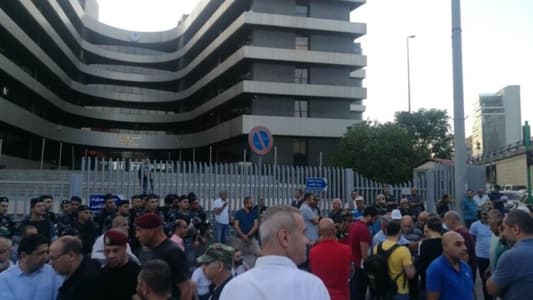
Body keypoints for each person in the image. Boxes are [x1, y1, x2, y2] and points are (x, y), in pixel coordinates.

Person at [219, 206, 330, 300]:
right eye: (303, 233)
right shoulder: (311, 287)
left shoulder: (231, 289)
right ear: (284, 237)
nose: (307, 240)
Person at [135, 213, 192, 300]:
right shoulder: (157, 250)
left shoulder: (172, 252)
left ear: (152, 231)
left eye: (139, 230)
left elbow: (186, 288)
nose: (137, 235)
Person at [486, 209, 533, 299]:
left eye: (504, 228)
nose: (502, 233)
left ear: (515, 229)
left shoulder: (511, 256)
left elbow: (492, 290)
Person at [0, 234, 63, 299]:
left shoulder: (53, 273)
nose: (45, 257)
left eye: (47, 252)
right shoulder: (4, 279)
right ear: (24, 255)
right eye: (40, 253)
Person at [309, 218, 353, 300]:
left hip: (320, 296)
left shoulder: (313, 252)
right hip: (342, 296)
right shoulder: (346, 250)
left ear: (319, 232)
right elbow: (350, 272)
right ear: (334, 231)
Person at [372, 220, 415, 300]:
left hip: (383, 288)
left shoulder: (377, 247)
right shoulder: (403, 250)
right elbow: (410, 274)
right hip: (400, 290)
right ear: (399, 231)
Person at [50, 236, 103, 300]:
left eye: (54, 258)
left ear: (71, 256)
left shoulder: (87, 283)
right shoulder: (76, 272)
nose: (51, 263)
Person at [426, 231, 474, 300]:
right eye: (458, 244)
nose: (464, 248)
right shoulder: (436, 269)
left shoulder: (466, 266)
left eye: (464, 244)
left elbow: (471, 291)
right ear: (445, 247)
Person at [348, 206, 378, 300]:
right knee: (360, 293)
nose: (374, 221)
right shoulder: (364, 230)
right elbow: (364, 254)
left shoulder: (354, 225)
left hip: (352, 263)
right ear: (369, 216)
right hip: (360, 267)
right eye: (374, 218)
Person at [101, 229, 140, 300]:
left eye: (115, 251)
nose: (111, 255)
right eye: (107, 251)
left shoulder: (137, 273)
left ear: (125, 248)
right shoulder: (102, 273)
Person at [443, 210, 476, 281]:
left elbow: (465, 255)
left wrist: (461, 272)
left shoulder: (462, 234)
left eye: (445, 220)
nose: (445, 223)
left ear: (450, 220)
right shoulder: (459, 232)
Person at [469, 208, 492, 300]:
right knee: (485, 280)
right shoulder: (475, 225)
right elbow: (472, 239)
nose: (485, 216)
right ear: (480, 214)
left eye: (487, 214)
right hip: (481, 256)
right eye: (484, 214)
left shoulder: (494, 224)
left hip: (493, 256)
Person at [418, 216, 443, 300]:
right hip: (443, 279)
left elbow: (422, 264)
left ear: (428, 228)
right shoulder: (445, 241)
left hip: (429, 280)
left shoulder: (425, 244)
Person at [233, 196, 260, 266]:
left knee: (259, 253)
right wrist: (243, 236)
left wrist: (248, 235)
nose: (252, 204)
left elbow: (256, 225)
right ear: (245, 204)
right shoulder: (239, 213)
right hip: (240, 238)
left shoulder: (254, 213)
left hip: (251, 238)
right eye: (251, 203)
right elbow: (236, 225)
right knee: (236, 256)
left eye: (252, 203)